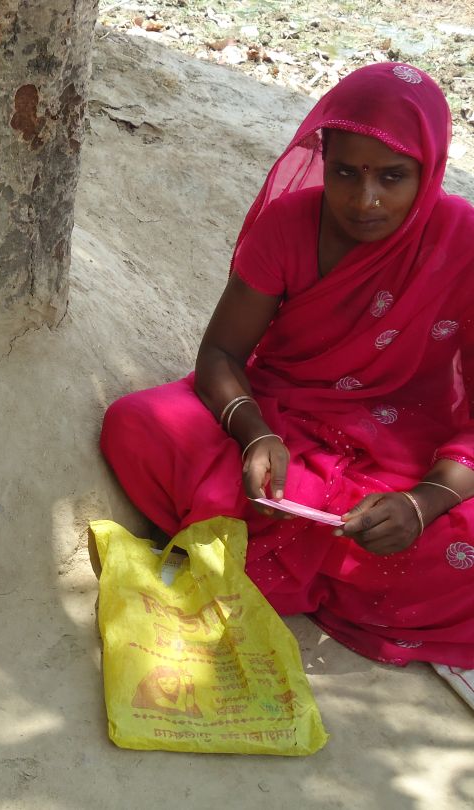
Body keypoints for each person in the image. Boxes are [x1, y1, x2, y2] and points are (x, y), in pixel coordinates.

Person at [101, 62, 474, 670]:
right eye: (346, 173)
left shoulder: (463, 243)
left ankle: (291, 554)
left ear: (428, 171)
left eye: (393, 177)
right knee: (136, 423)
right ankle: (329, 565)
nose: (364, 199)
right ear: (323, 160)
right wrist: (255, 433)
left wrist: (423, 503)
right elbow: (220, 353)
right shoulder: (289, 226)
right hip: (286, 424)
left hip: (404, 454)